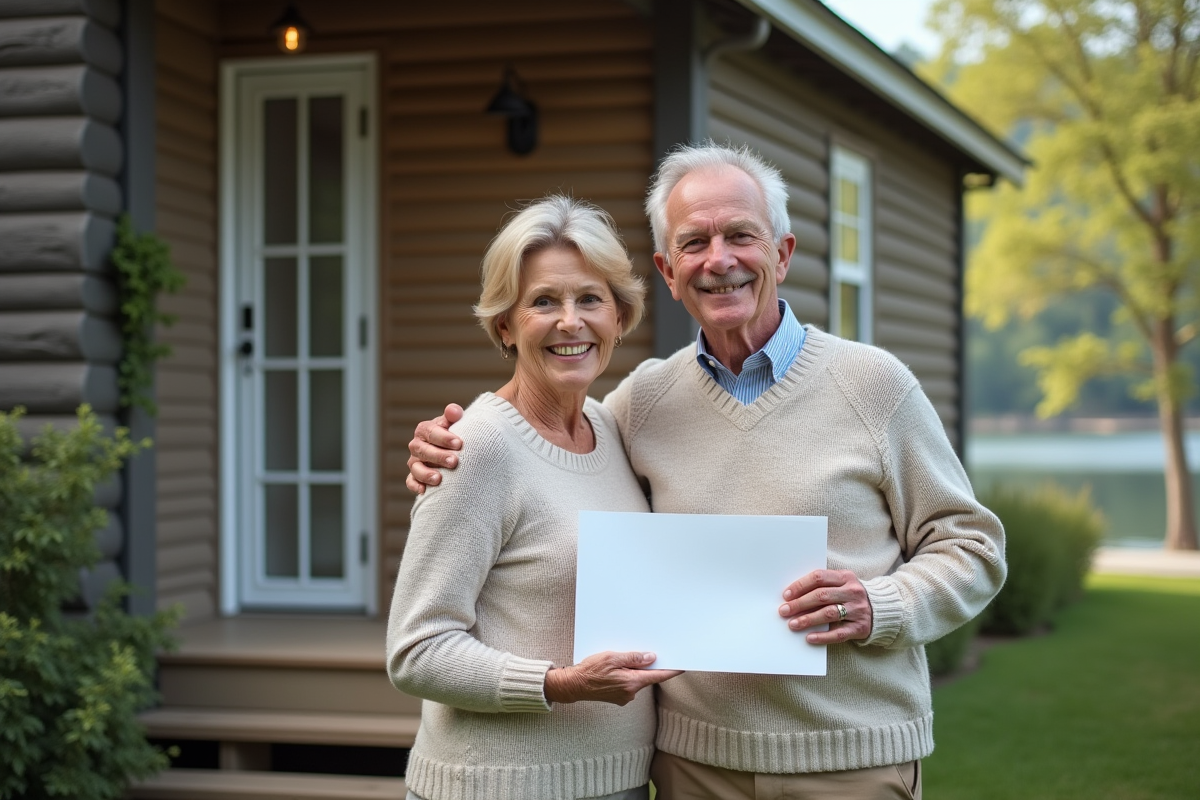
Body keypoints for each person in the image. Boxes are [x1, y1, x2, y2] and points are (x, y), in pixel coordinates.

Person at [406, 143, 1007, 800]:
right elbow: (540, 442)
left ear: (782, 253)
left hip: (850, 760)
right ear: (668, 270)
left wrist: (882, 604)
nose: (719, 260)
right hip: (692, 768)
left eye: (740, 235)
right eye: (694, 243)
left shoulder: (875, 386)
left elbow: (972, 546)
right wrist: (447, 446)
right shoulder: (639, 405)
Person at [387, 195, 681, 800]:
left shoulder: (613, 431)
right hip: (495, 787)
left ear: (619, 318)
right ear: (505, 325)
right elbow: (416, 651)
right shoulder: (477, 448)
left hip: (618, 784)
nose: (570, 321)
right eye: (543, 301)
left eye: (590, 299)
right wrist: (561, 684)